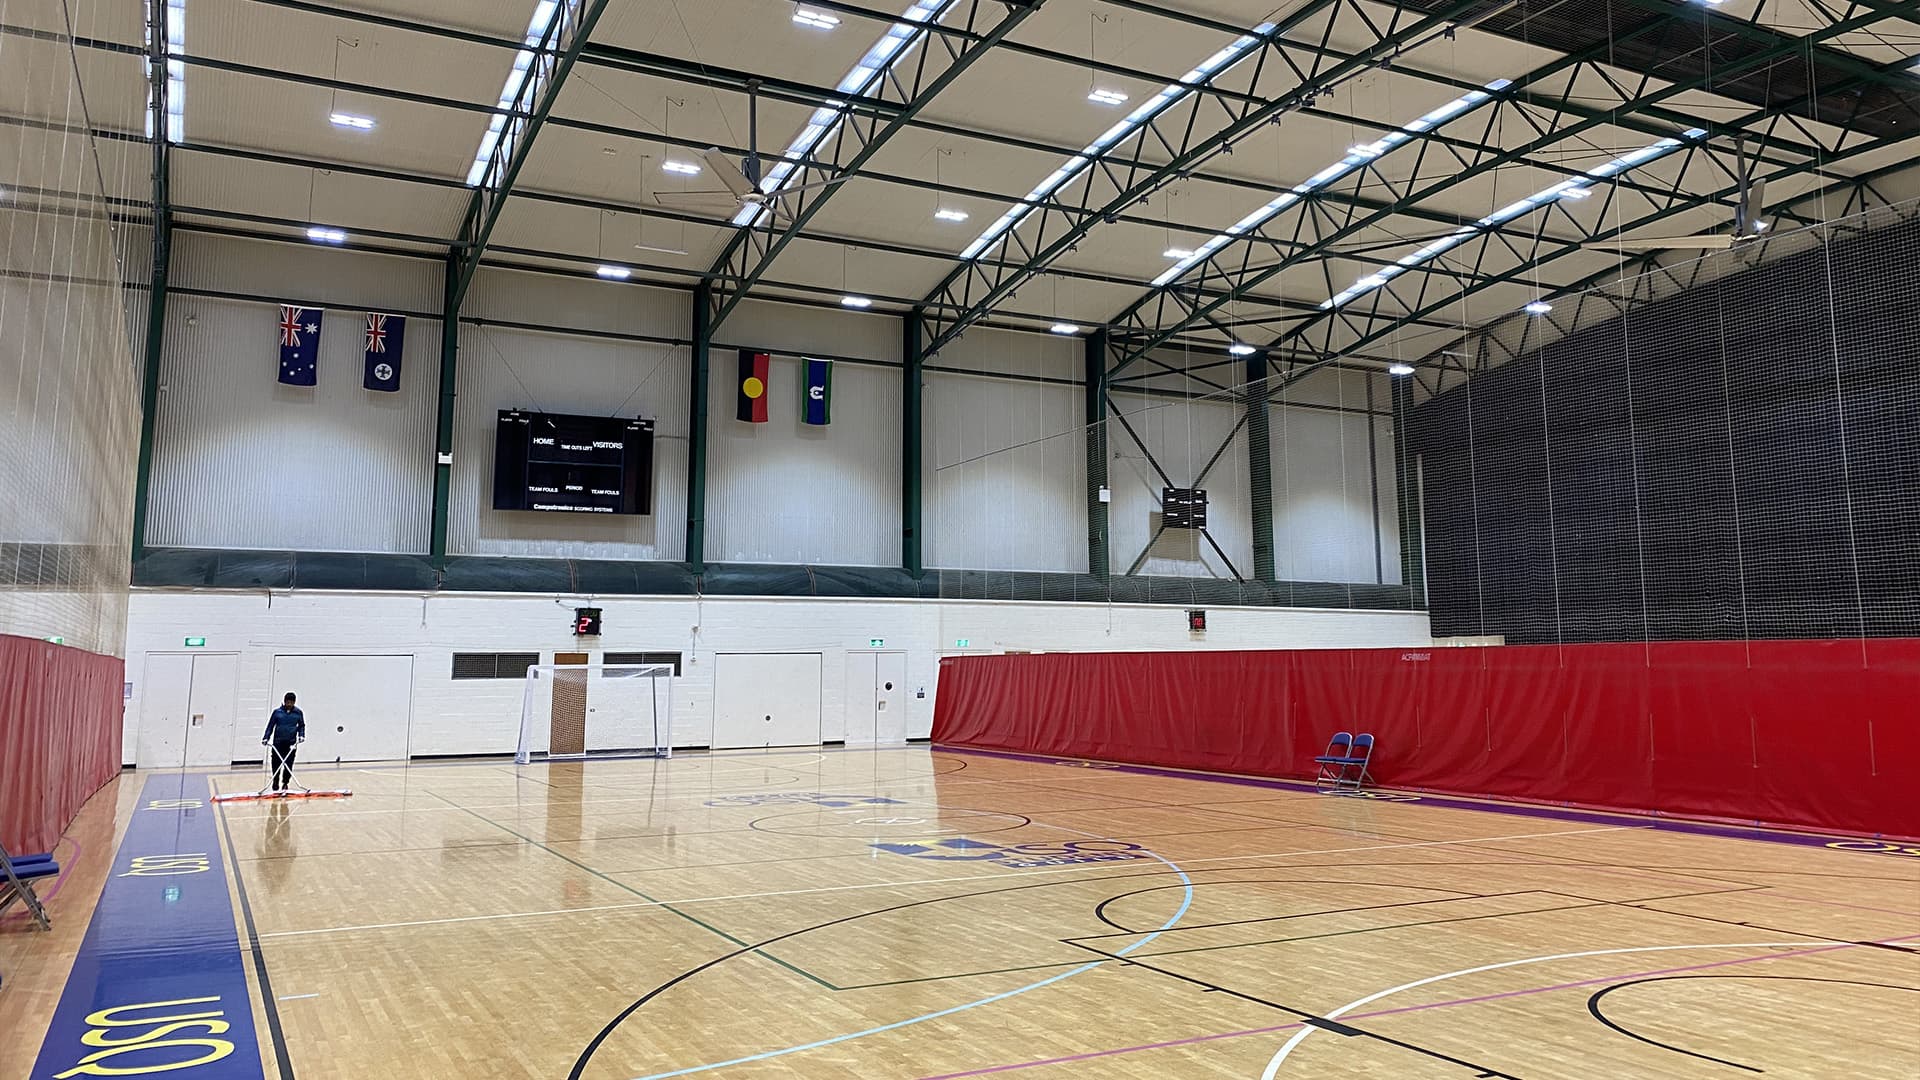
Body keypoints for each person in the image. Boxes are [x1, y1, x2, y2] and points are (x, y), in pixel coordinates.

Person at [262, 692, 306, 792]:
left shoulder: (298, 713)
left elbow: (301, 725)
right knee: (276, 763)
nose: (289, 704)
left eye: (291, 702)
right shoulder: (277, 712)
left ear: (294, 702)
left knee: (288, 764)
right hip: (278, 743)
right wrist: (266, 737)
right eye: (288, 702)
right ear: (284, 701)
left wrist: (301, 735)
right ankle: (275, 781)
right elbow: (270, 726)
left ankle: (285, 783)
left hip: (291, 743)